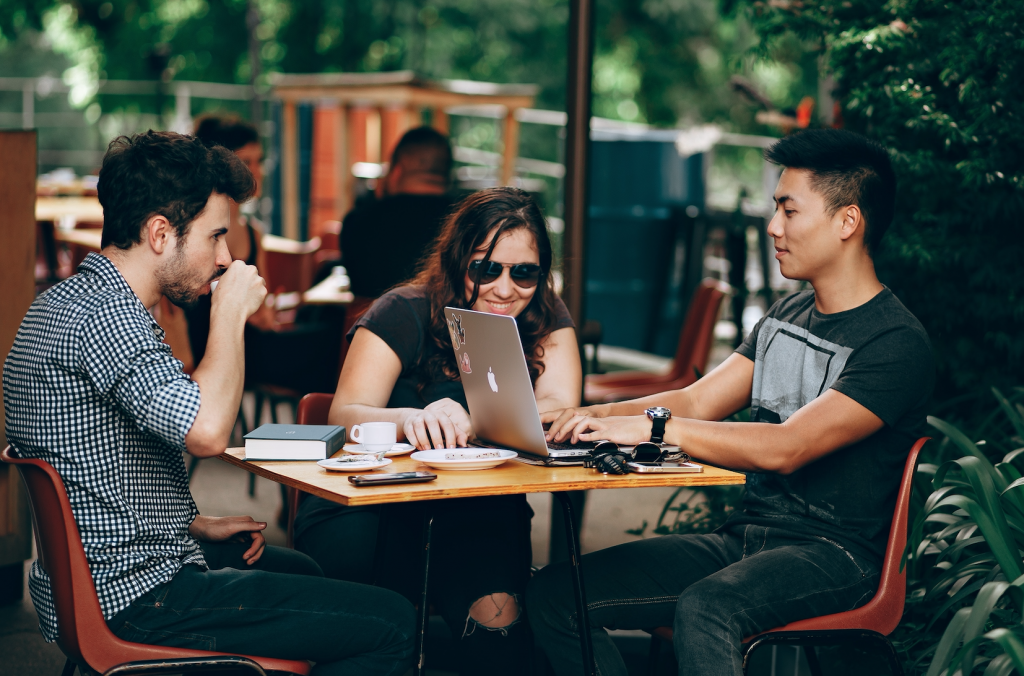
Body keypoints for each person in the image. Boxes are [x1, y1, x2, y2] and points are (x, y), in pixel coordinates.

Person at [3, 131, 415, 676]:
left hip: (106, 576)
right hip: (136, 596)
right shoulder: (107, 319)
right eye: (216, 236)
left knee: (308, 574)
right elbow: (207, 432)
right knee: (394, 622)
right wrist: (228, 314)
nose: (225, 258)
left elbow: (98, 463)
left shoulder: (68, 302)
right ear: (159, 233)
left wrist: (190, 525)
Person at [530, 129, 935, 676]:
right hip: (746, 540)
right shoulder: (786, 315)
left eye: (789, 211)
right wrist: (588, 416)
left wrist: (654, 429)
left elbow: (787, 447)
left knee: (707, 608)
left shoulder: (894, 342)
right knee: (556, 593)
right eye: (776, 209)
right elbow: (697, 398)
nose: (774, 227)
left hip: (835, 556)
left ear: (847, 222)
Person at [294, 187, 582, 676]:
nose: (506, 288)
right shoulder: (402, 309)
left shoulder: (544, 315)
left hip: (478, 513)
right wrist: (410, 419)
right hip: (377, 508)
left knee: (502, 645)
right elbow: (342, 414)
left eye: (525, 272)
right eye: (486, 269)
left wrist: (482, 417)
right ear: (456, 263)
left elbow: (557, 407)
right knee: (375, 639)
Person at [186, 114, 274, 364]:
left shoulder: (254, 234)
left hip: (247, 350)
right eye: (246, 161)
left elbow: (263, 311)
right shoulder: (192, 232)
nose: (257, 172)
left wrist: (262, 313)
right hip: (202, 354)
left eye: (259, 161)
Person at [341, 126, 456, 298]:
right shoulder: (466, 223)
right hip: (443, 324)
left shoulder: (358, 221)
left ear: (396, 171)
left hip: (370, 323)